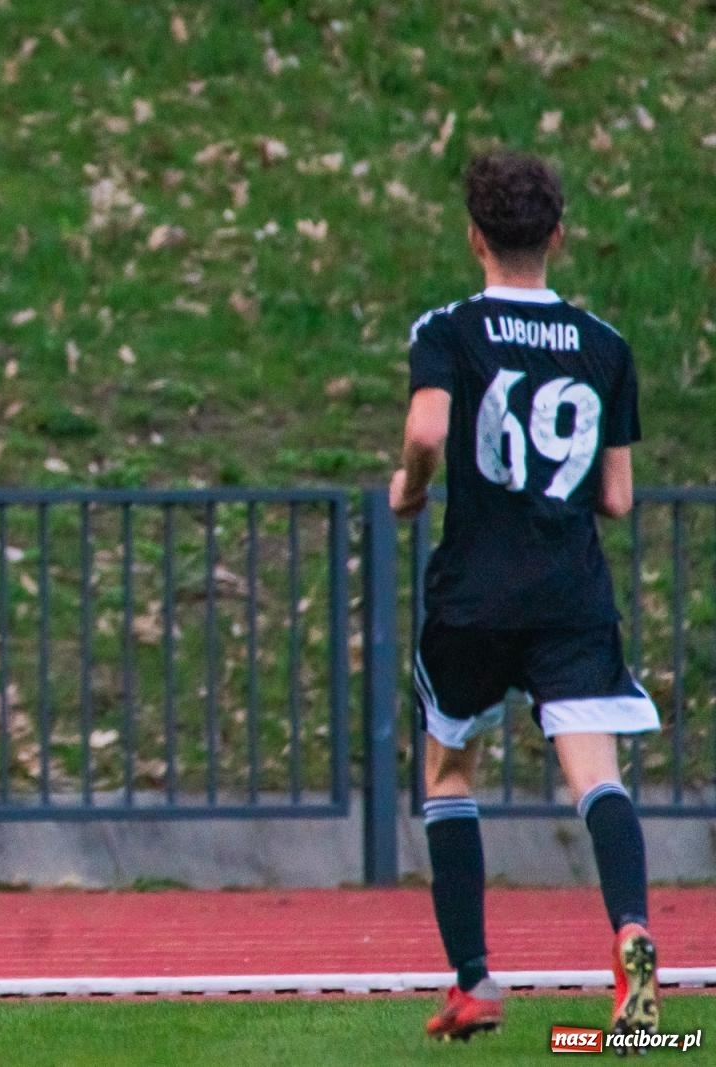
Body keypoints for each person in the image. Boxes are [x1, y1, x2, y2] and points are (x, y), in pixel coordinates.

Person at [390, 151, 660, 1042]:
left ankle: (473, 980)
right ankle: (632, 932)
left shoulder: (449, 328)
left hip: (475, 591)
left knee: (448, 771)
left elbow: (427, 428)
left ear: (475, 237)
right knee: (598, 777)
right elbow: (616, 497)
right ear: (559, 237)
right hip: (569, 593)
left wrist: (410, 486)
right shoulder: (605, 345)